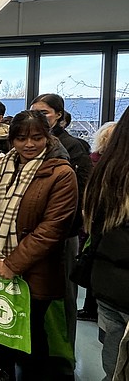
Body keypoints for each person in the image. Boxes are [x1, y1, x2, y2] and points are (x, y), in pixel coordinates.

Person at [0, 110, 78, 381]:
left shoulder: (61, 173)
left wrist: (13, 264)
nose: (29, 144)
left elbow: (52, 228)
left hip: (35, 268)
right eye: (21, 138)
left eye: (36, 137)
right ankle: (3, 370)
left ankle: (33, 375)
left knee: (29, 327)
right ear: (11, 140)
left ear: (48, 137)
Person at [31, 93, 92, 377]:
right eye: (34, 112)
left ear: (58, 115)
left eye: (44, 113)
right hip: (29, 234)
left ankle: (63, 355)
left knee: (64, 296)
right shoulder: (31, 147)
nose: (40, 119)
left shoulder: (74, 147)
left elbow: (79, 197)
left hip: (63, 235)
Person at [82, 110, 129, 381]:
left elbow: (91, 224)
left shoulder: (104, 170)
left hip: (105, 276)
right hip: (117, 276)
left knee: (112, 345)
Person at [78, 121, 116, 323]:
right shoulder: (95, 163)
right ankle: (91, 307)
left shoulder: (100, 163)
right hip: (96, 220)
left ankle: (91, 307)